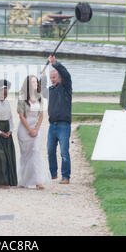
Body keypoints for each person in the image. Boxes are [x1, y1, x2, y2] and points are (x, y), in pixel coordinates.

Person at [41, 55, 72, 184]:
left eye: (54, 77)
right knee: (50, 150)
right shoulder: (50, 90)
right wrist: (42, 78)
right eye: (51, 78)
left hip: (63, 125)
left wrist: (55, 63)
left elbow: (66, 75)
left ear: (59, 78)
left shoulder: (65, 87)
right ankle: (53, 174)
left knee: (64, 152)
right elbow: (42, 92)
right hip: (52, 125)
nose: (52, 80)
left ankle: (65, 176)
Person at [17, 75, 51, 190]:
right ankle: (23, 180)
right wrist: (29, 129)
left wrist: (36, 129)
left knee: (36, 151)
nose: (35, 84)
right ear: (28, 84)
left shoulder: (40, 97)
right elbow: (21, 116)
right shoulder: (22, 98)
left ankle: (38, 181)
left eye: (36, 82)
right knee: (26, 155)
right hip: (24, 129)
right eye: (32, 82)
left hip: (36, 129)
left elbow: (41, 115)